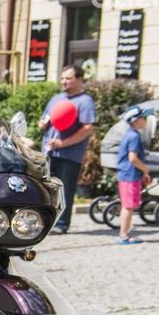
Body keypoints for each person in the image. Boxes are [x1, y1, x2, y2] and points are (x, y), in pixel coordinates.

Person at [38, 64, 96, 233]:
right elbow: (45, 119)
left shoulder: (85, 101)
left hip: (69, 154)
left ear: (80, 79)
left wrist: (63, 144)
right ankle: (44, 222)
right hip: (48, 151)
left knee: (64, 190)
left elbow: (87, 129)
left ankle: (62, 224)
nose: (64, 82)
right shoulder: (56, 98)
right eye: (62, 78)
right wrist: (42, 124)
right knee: (46, 189)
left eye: (68, 78)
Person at [115, 106, 152, 244]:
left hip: (126, 174)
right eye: (144, 117)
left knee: (128, 205)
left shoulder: (129, 134)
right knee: (128, 206)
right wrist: (145, 170)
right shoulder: (135, 136)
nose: (146, 120)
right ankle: (124, 235)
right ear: (136, 120)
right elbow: (133, 158)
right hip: (130, 175)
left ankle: (125, 232)